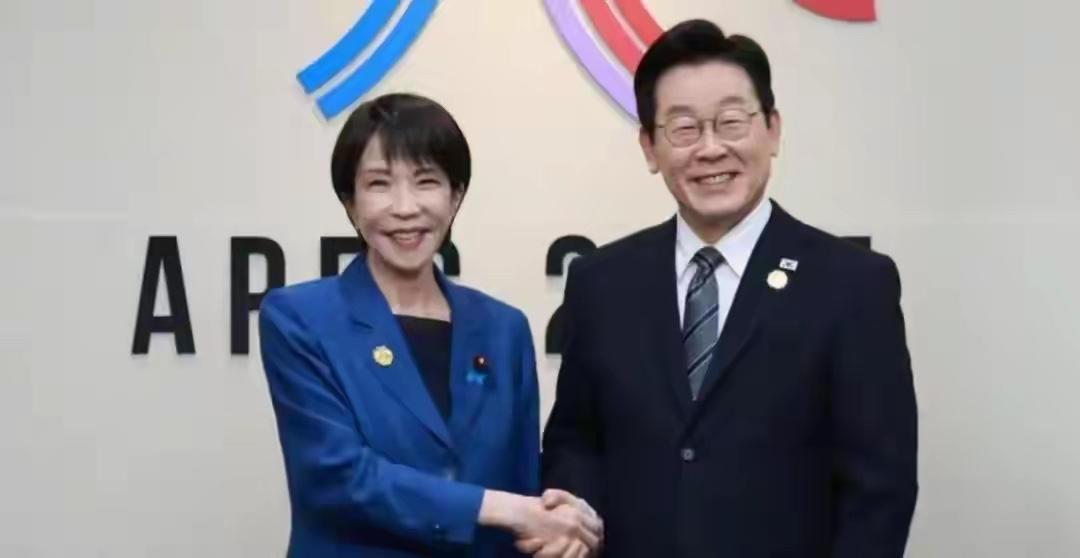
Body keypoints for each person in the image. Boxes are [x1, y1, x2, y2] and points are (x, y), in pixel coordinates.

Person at [541, 20, 918, 558]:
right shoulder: (601, 282)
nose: (711, 148)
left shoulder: (853, 286)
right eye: (684, 128)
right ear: (649, 147)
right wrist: (577, 522)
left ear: (773, 130)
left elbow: (880, 491)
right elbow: (575, 440)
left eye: (732, 122)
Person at [259, 93, 602, 557]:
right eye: (379, 184)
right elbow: (336, 477)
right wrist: (502, 508)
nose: (405, 207)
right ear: (351, 203)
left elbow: (523, 480)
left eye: (426, 182)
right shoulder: (300, 317)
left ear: (455, 196)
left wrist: (563, 523)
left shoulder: (504, 329)